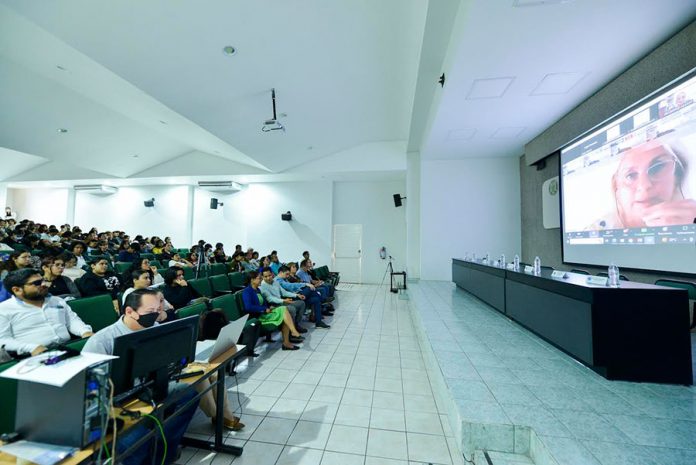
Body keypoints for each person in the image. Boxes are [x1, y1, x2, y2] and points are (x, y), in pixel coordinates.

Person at [83, 289, 200, 465]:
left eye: (157, 310)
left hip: (149, 388)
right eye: (150, 312)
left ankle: (162, 453)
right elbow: (89, 385)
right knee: (137, 438)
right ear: (130, 311)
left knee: (188, 395)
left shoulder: (155, 328)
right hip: (116, 403)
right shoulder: (102, 341)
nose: (156, 315)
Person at [590, 135, 696, 229]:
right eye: (630, 175)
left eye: (657, 167)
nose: (644, 185)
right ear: (616, 188)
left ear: (677, 176)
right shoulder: (597, 233)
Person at [0, 268, 92, 356]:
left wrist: (85, 332)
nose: (44, 284)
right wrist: (30, 348)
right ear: (17, 290)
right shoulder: (4, 309)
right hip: (32, 355)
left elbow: (72, 321)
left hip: (68, 347)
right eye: (37, 283)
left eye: (43, 280)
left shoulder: (56, 300)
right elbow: (3, 340)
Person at [242, 271, 304, 350]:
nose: (261, 280)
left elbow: (263, 303)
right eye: (259, 278)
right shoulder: (247, 291)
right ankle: (292, 333)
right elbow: (248, 307)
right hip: (258, 317)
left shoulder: (257, 290)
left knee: (284, 310)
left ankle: (287, 342)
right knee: (284, 310)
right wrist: (264, 309)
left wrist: (269, 307)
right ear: (252, 280)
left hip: (264, 313)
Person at [259, 267, 307, 333]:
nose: (268, 278)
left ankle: (296, 324)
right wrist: (283, 300)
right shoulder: (262, 286)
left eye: (269, 275)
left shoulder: (275, 282)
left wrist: (296, 295)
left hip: (281, 302)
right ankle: (291, 332)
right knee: (292, 309)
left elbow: (284, 292)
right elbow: (270, 299)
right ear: (262, 277)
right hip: (273, 306)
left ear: (272, 274)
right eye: (265, 276)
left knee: (301, 303)